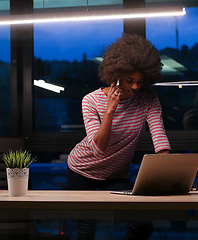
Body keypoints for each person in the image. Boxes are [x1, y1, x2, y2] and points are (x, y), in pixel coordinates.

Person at [67, 33, 171, 240]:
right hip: (82, 169)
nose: (134, 87)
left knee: (142, 225)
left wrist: (170, 173)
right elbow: (98, 149)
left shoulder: (148, 98)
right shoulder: (90, 100)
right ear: (115, 74)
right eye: (129, 80)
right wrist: (110, 111)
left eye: (140, 82)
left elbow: (158, 135)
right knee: (86, 228)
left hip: (116, 175)